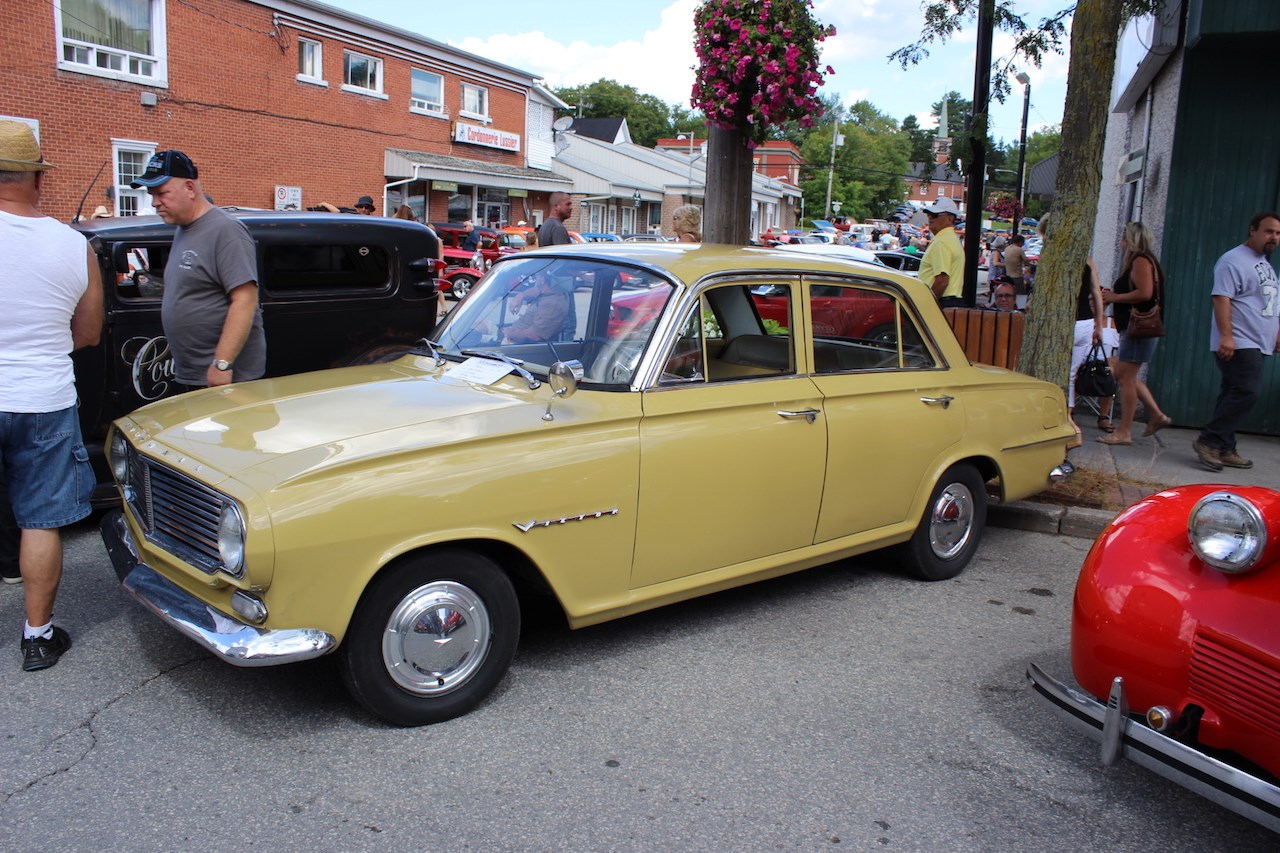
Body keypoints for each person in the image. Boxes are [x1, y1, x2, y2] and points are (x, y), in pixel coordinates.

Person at [0, 120, 104, 670]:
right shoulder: (74, 245)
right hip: (42, 394)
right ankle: (37, 637)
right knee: (39, 519)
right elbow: (88, 333)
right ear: (36, 179)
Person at [132, 150, 266, 390]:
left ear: (190, 188)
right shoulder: (184, 228)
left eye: (162, 193)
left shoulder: (225, 230)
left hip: (224, 377)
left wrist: (222, 364)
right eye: (151, 195)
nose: (154, 202)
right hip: (196, 373)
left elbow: (245, 300)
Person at [1192, 211, 1280, 471]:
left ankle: (1225, 447)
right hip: (1240, 340)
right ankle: (1209, 440)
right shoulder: (1233, 261)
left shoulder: (1263, 261)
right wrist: (1227, 336)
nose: (1273, 237)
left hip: (1258, 340)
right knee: (1247, 391)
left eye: (1277, 233)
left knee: (1232, 391)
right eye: (1268, 231)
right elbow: (1221, 298)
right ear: (1252, 230)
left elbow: (1268, 302)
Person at [1099, 221, 1172, 445]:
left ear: (1128, 240)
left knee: (1126, 378)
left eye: (1122, 239)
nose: (1120, 243)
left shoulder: (1140, 260)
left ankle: (1124, 431)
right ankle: (1157, 415)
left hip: (1137, 329)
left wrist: (1115, 298)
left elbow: (1145, 292)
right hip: (1134, 330)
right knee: (1124, 373)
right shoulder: (1144, 260)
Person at [1067, 257, 1119, 444]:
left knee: (1066, 373)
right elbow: (1096, 292)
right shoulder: (1087, 262)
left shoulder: (1057, 254)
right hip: (1086, 322)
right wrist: (1098, 323)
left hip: (1068, 319)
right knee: (1073, 374)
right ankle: (1069, 417)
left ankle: (1068, 418)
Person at [919, 198, 965, 307]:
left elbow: (942, 280)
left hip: (942, 302)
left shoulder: (942, 242)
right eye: (929, 214)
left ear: (950, 218)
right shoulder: (950, 239)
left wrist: (926, 306)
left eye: (935, 215)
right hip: (950, 301)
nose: (930, 218)